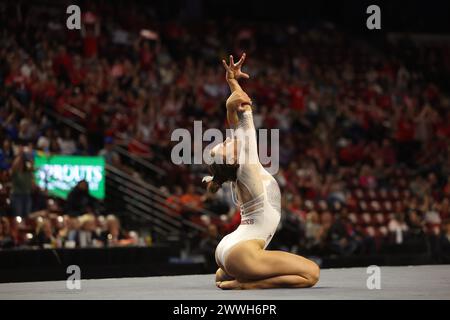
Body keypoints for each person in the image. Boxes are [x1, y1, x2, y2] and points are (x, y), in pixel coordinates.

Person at [205, 54, 319, 290]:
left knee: (245, 266)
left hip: (228, 249)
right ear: (234, 159)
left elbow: (236, 123)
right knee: (311, 274)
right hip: (241, 252)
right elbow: (244, 110)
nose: (226, 141)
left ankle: (234, 273)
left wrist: (231, 81)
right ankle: (246, 285)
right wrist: (231, 97)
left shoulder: (241, 169)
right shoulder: (246, 164)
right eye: (225, 146)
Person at [10, 146, 34, 217]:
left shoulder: (28, 169)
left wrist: (30, 154)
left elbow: (32, 165)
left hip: (27, 195)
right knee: (18, 216)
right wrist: (20, 155)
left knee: (26, 216)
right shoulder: (16, 170)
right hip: (17, 196)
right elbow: (14, 166)